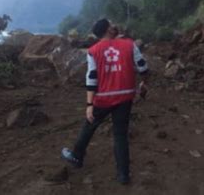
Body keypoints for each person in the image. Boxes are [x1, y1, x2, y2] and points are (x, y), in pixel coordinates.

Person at [61, 19, 148, 185]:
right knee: (120, 135)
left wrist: (89, 105)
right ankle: (123, 175)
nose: (114, 25)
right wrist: (144, 82)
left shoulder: (93, 50)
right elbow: (143, 66)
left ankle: (77, 157)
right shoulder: (129, 44)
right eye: (111, 24)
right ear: (108, 29)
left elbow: (92, 78)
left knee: (89, 124)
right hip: (125, 96)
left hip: (104, 98)